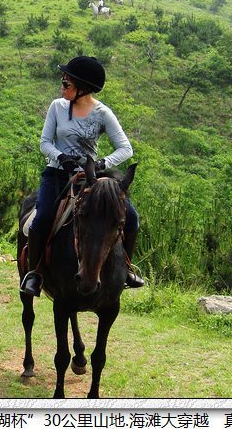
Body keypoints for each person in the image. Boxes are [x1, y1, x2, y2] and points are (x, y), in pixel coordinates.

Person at [19, 56, 145, 296]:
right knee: (42, 217)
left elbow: (125, 148)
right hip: (57, 174)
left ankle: (126, 269)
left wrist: (102, 163)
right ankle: (34, 273)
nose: (62, 86)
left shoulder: (102, 113)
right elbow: (45, 143)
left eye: (67, 84)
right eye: (63, 82)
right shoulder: (57, 107)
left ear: (83, 89)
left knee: (131, 217)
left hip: (91, 177)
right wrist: (61, 157)